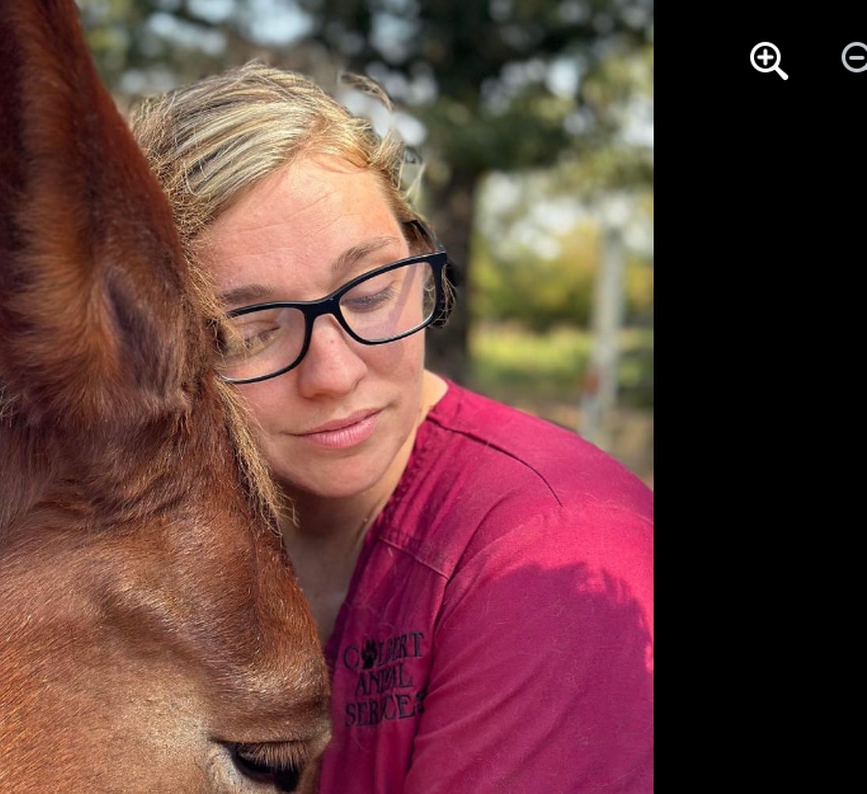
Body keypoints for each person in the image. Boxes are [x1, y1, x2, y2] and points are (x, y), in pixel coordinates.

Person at [129, 62, 653, 792]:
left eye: (370, 293)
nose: (335, 374)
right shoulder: (133, 545)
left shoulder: (553, 551)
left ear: (418, 256)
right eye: (249, 333)